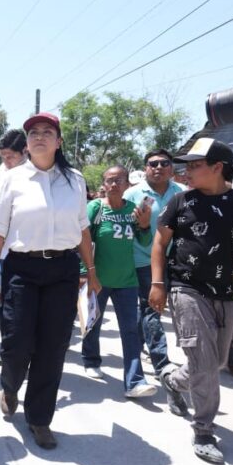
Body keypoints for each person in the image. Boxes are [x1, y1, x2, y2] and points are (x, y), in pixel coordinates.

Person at [150, 138, 233, 465]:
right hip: (186, 289)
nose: (186, 171)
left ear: (217, 167)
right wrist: (157, 283)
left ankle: (173, 380)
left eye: (194, 165)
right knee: (206, 364)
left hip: (225, 292)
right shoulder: (181, 201)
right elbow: (159, 242)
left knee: (217, 361)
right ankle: (204, 429)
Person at [0, 112, 101, 450]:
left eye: (47, 132)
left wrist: (91, 271)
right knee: (17, 342)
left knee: (52, 348)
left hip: (62, 271)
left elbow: (82, 227)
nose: (39, 137)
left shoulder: (74, 180)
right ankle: (10, 386)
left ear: (58, 141)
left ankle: (39, 419)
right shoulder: (12, 178)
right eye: (33, 132)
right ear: (27, 142)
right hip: (22, 268)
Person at [80, 165, 157, 399]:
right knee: (93, 321)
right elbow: (82, 242)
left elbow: (144, 241)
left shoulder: (134, 209)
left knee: (130, 330)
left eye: (119, 180)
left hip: (127, 280)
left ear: (127, 184)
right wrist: (86, 273)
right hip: (98, 278)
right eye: (109, 180)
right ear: (103, 184)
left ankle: (135, 380)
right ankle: (91, 359)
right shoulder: (95, 208)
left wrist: (144, 225)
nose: (114, 184)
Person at [124, 149, 182, 381]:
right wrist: (142, 225)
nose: (158, 167)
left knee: (146, 310)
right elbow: (125, 229)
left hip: (177, 261)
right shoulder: (132, 194)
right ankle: (161, 362)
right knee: (153, 309)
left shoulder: (183, 193)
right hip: (143, 261)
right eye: (152, 164)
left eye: (163, 163)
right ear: (146, 168)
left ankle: (136, 348)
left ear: (171, 168)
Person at [0, 129, 28, 366]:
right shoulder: (3, 171)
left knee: (24, 307)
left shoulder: (37, 172)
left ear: (25, 152)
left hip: (26, 250)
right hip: (2, 251)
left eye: (10, 157)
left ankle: (26, 349)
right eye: (2, 156)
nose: (6, 161)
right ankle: (6, 347)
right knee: (4, 305)